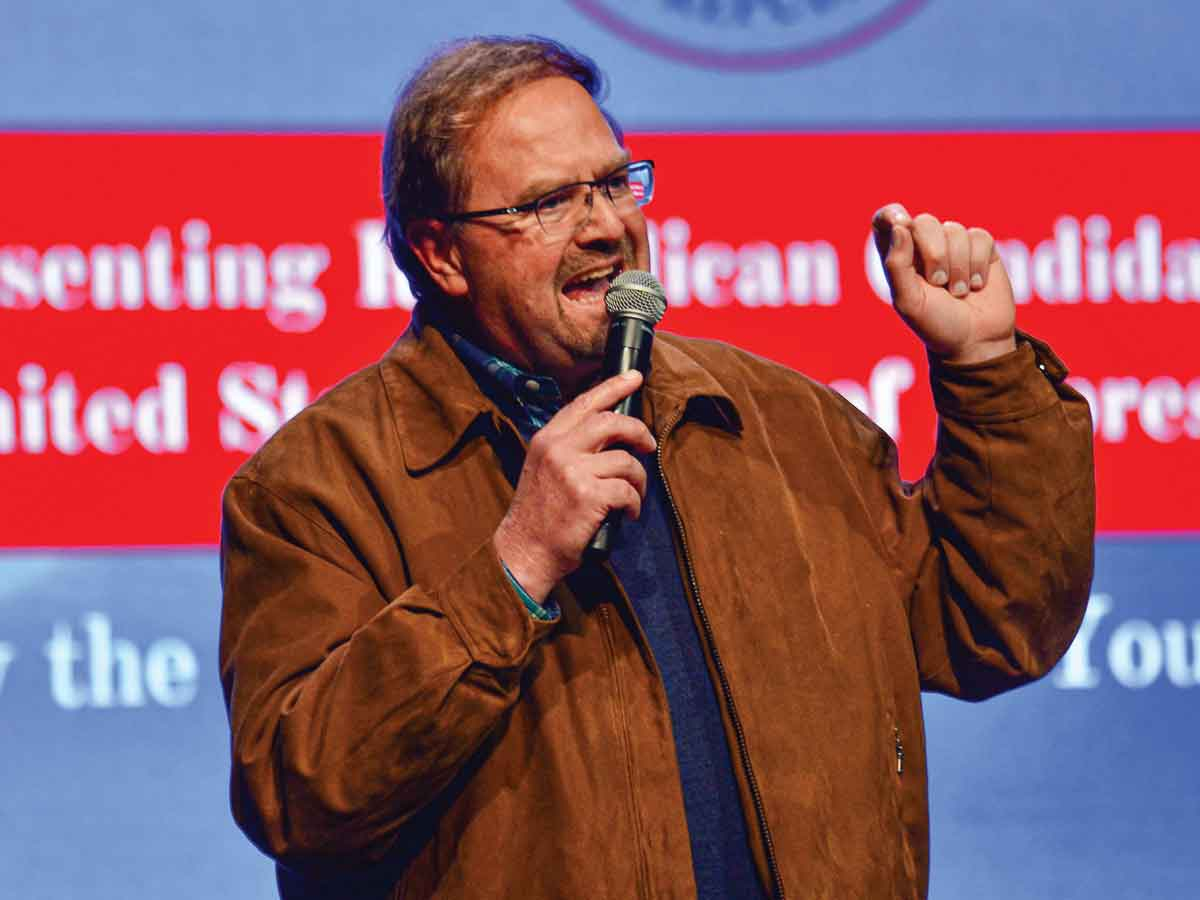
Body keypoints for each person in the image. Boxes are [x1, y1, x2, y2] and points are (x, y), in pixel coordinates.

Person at [218, 36, 1095, 900]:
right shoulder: (314, 488)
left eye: (612, 183)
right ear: (442, 253)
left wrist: (988, 373)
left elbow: (992, 626)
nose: (606, 226)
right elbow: (300, 800)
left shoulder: (780, 422)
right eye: (549, 202)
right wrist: (514, 567)